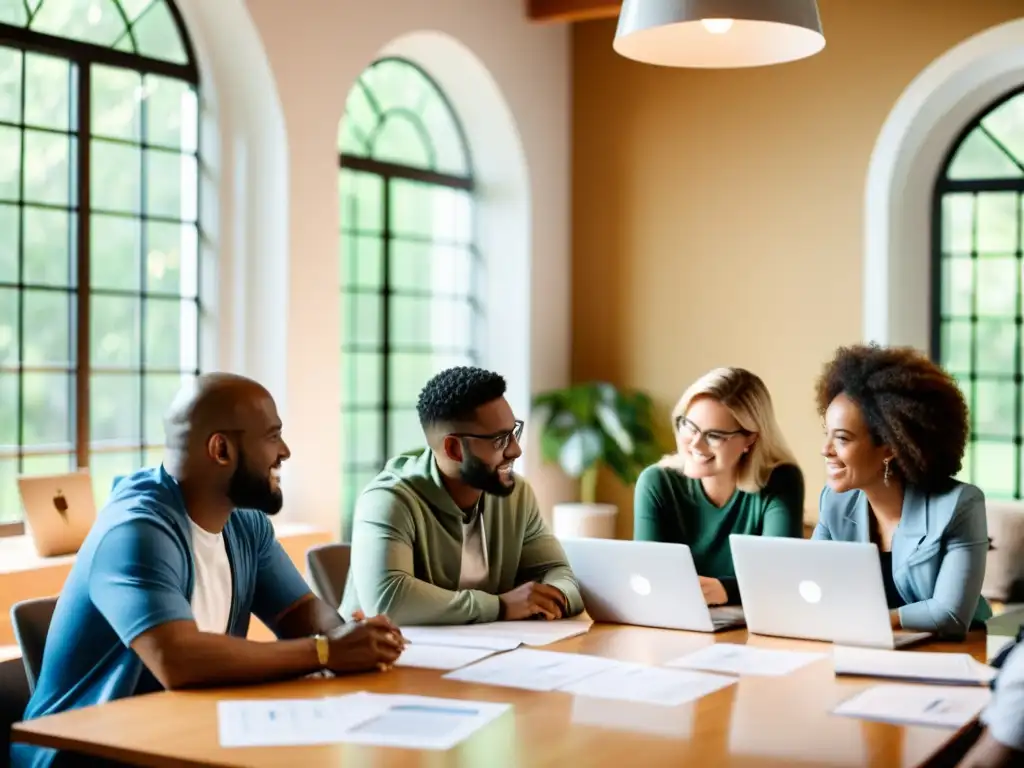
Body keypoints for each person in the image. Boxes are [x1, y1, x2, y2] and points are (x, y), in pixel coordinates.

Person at [13, 373, 404, 768]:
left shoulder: (243, 523)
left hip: (177, 735)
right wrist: (325, 650)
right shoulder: (136, 530)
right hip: (83, 756)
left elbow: (300, 611)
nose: (284, 451)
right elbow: (178, 661)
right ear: (221, 449)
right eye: (272, 436)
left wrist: (345, 635)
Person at [340, 366, 584, 625]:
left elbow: (556, 571)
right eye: (500, 440)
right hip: (386, 658)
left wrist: (555, 597)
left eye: (514, 432)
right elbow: (388, 601)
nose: (515, 450)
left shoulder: (516, 495)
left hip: (489, 652)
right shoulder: (387, 500)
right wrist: (500, 606)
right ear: (455, 449)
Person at [813, 343, 990, 638]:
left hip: (952, 654)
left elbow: (949, 615)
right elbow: (812, 582)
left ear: (890, 448)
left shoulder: (960, 505)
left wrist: (871, 620)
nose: (825, 450)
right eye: (826, 434)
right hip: (866, 645)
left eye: (842, 438)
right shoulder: (835, 502)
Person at [633, 367, 805, 606]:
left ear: (750, 439)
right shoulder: (657, 483)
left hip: (753, 628)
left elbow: (781, 577)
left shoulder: (780, 481)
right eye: (689, 426)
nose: (696, 444)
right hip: (673, 621)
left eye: (714, 435)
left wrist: (726, 590)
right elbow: (648, 580)